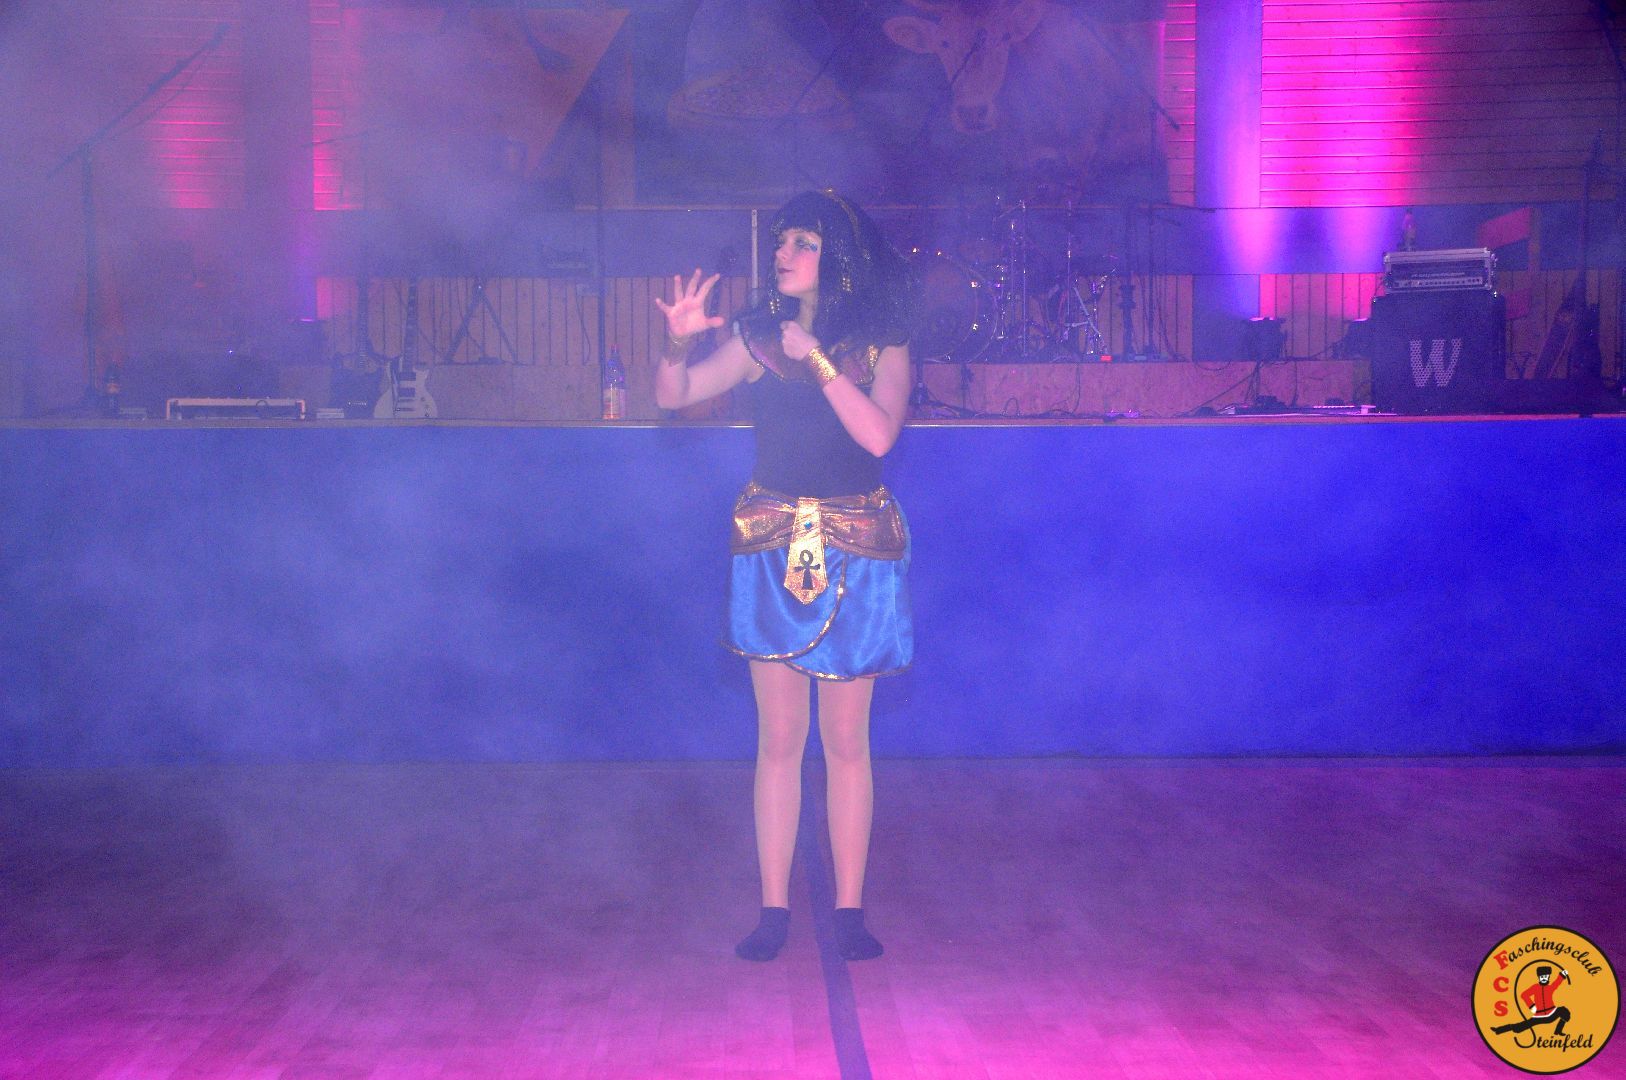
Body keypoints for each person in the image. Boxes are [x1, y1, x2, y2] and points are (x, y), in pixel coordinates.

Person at [654, 190, 916, 962]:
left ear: (839, 257)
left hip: (856, 545)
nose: (783, 253)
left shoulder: (882, 342)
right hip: (772, 543)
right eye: (781, 241)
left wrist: (820, 359)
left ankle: (849, 912)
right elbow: (675, 395)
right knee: (778, 739)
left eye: (804, 241)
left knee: (846, 740)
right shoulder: (757, 337)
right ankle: (773, 911)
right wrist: (675, 345)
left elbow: (877, 436)